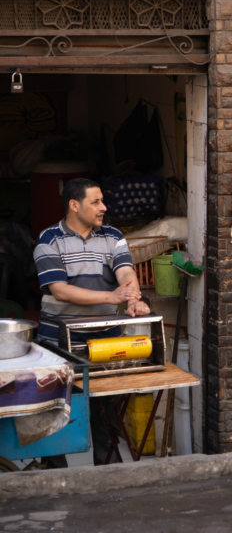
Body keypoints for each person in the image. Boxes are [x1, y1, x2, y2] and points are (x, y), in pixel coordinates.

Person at [33, 177, 151, 466]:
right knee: (57, 407)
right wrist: (112, 298)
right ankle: (55, 472)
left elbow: (125, 272)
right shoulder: (49, 240)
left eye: (102, 201)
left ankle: (108, 466)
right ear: (74, 205)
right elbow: (59, 290)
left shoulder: (113, 236)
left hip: (106, 339)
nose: (103, 207)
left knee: (104, 407)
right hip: (58, 342)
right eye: (95, 202)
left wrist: (132, 296)